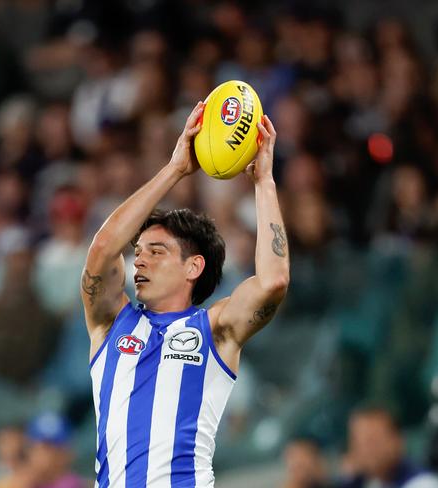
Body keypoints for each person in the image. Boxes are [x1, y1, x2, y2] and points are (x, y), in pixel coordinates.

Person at [81, 103, 290, 487]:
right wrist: (174, 168)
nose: (139, 261)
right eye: (138, 251)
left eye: (156, 252)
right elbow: (103, 249)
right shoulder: (111, 321)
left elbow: (273, 281)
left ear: (194, 267)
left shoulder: (215, 328)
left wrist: (264, 183)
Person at [338, 407, 438, 488]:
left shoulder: (425, 484)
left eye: (373, 441)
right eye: (358, 442)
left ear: (398, 441)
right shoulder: (360, 482)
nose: (366, 450)